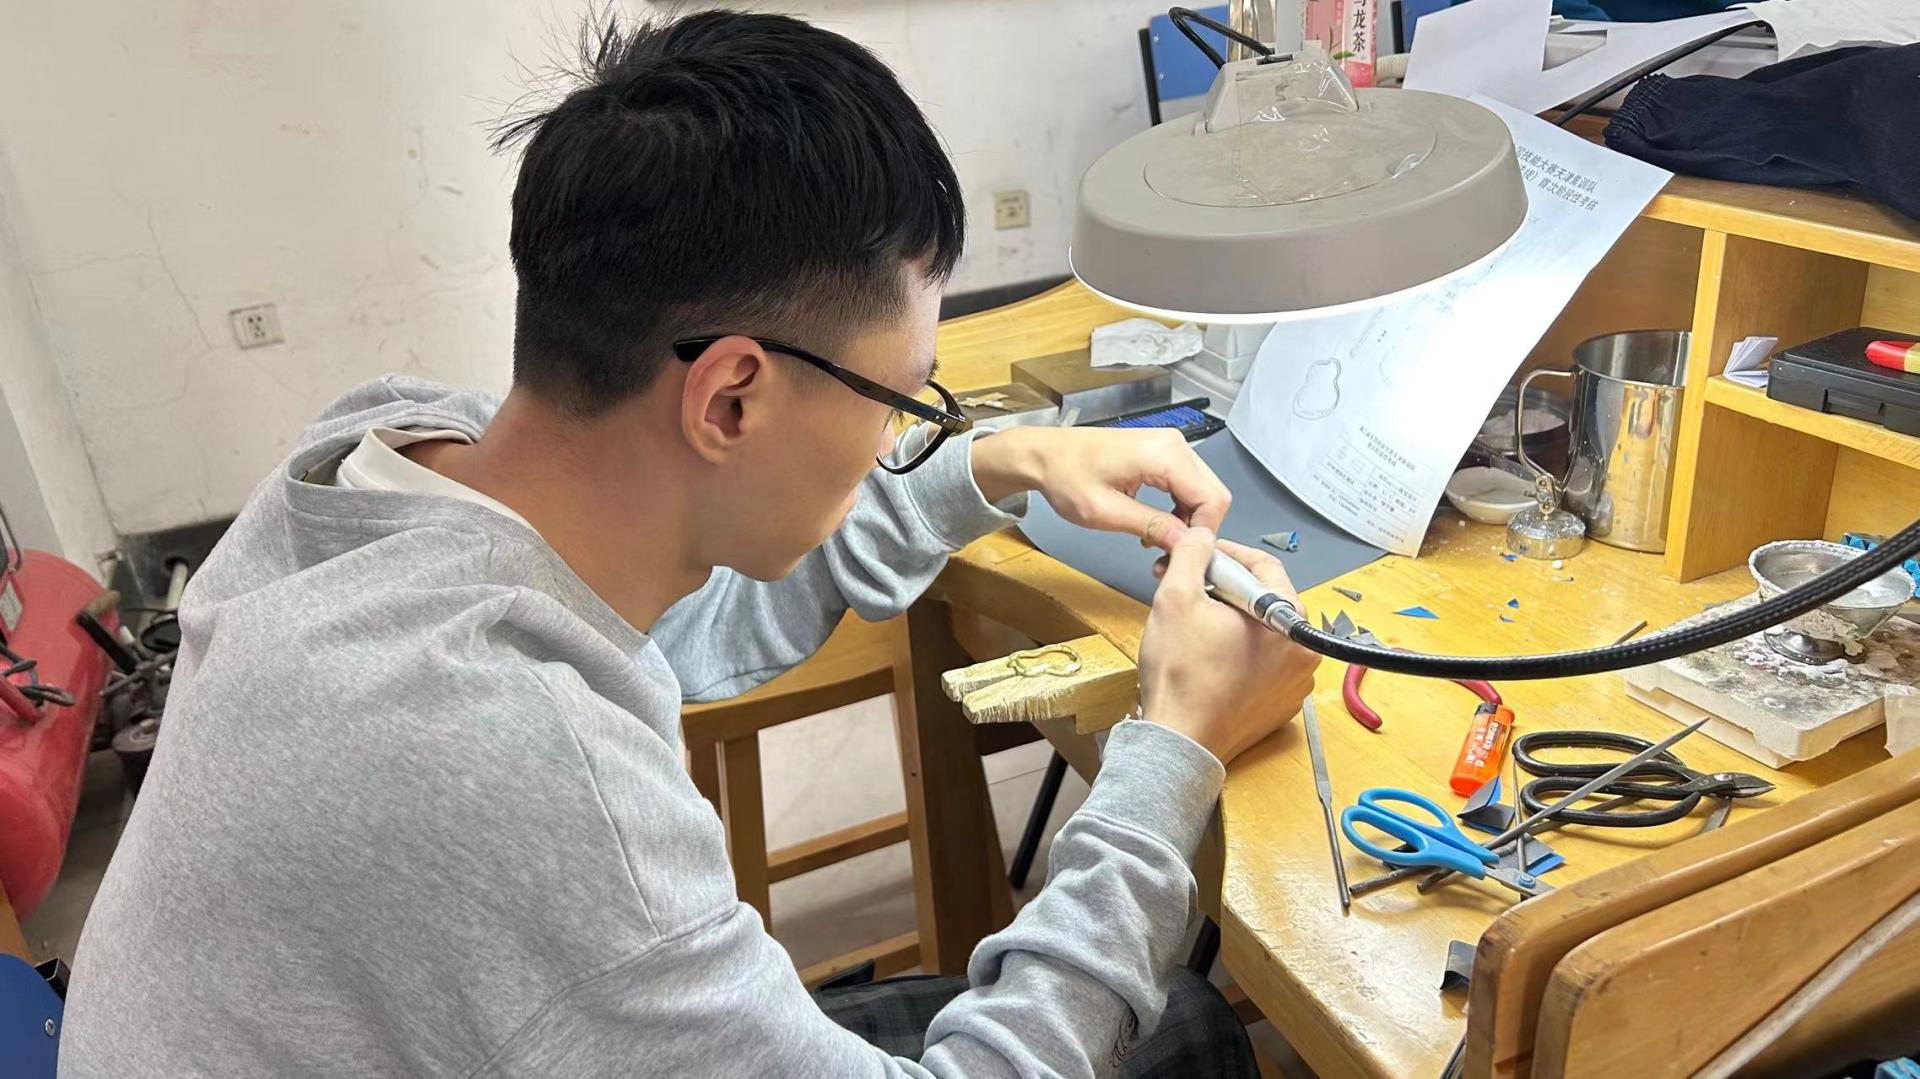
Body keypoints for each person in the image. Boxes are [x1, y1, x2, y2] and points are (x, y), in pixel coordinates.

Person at [62, 11, 1318, 1077]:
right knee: (1184, 1035)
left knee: (1174, 1022)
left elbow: (680, 629)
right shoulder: (524, 776)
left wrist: (990, 467)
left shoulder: (391, 456)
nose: (901, 437)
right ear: (730, 399)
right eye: (902, 400)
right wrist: (1173, 749)